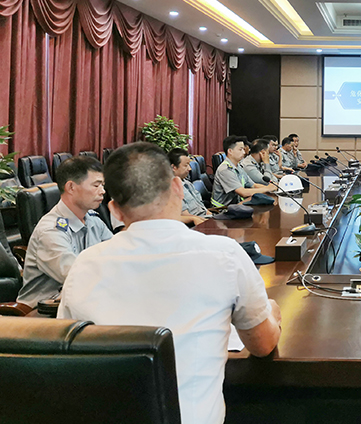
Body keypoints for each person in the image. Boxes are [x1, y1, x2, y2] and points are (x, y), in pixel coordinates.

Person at [57, 142, 282, 424]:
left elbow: (67, 357)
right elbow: (262, 345)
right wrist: (271, 312)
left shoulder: (84, 265)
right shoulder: (224, 254)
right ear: (177, 187)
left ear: (114, 209)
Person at [17, 156, 113, 308]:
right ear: (71, 187)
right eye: (96, 185)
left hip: (82, 301)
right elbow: (78, 277)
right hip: (42, 311)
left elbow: (116, 255)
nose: (102, 191)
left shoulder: (93, 220)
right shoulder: (50, 231)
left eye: (103, 185)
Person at [212, 136, 274, 207]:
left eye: (244, 149)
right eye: (240, 149)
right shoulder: (225, 170)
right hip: (222, 209)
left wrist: (270, 188)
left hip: (237, 205)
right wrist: (267, 188)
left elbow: (253, 185)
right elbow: (243, 192)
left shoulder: (238, 166)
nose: (244, 152)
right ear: (230, 151)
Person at [168, 148, 208, 226]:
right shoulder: (171, 188)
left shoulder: (187, 183)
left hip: (205, 218)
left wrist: (213, 218)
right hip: (195, 224)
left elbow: (204, 209)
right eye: (186, 165)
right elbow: (186, 215)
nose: (190, 168)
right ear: (173, 167)